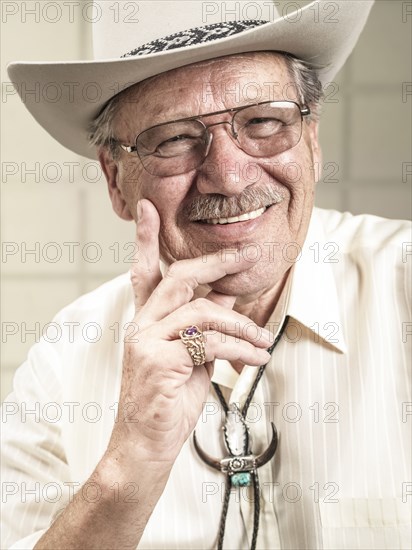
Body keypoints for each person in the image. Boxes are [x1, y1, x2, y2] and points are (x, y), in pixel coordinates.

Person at [2, 1, 411, 549]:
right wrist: (130, 465)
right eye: (173, 139)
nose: (230, 176)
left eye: (263, 121)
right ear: (116, 180)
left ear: (311, 141)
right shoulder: (62, 362)